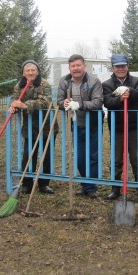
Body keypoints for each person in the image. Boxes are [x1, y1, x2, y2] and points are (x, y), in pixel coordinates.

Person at [56, 54, 104, 198]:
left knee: (92, 156)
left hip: (93, 123)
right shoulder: (64, 81)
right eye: (73, 66)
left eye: (78, 65)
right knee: (80, 156)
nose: (76, 68)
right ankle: (85, 184)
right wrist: (63, 103)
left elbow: (98, 102)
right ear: (69, 67)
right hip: (76, 124)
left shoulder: (94, 81)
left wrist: (80, 105)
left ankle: (91, 187)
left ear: (84, 66)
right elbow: (59, 101)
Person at [102, 54, 138, 199]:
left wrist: (130, 92)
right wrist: (120, 99)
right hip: (117, 127)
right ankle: (115, 188)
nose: (120, 69)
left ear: (127, 66)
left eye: (123, 66)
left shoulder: (136, 81)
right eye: (117, 66)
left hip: (133, 126)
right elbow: (107, 102)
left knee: (135, 157)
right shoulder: (107, 85)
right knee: (116, 158)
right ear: (113, 68)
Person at [9, 60, 58, 195]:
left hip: (47, 125)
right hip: (30, 127)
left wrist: (25, 105)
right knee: (28, 155)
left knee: (46, 155)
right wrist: (13, 105)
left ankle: (44, 183)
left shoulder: (44, 84)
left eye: (33, 70)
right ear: (23, 73)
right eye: (27, 70)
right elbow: (15, 98)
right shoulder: (19, 85)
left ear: (38, 71)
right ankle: (27, 183)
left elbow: (45, 101)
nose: (30, 73)